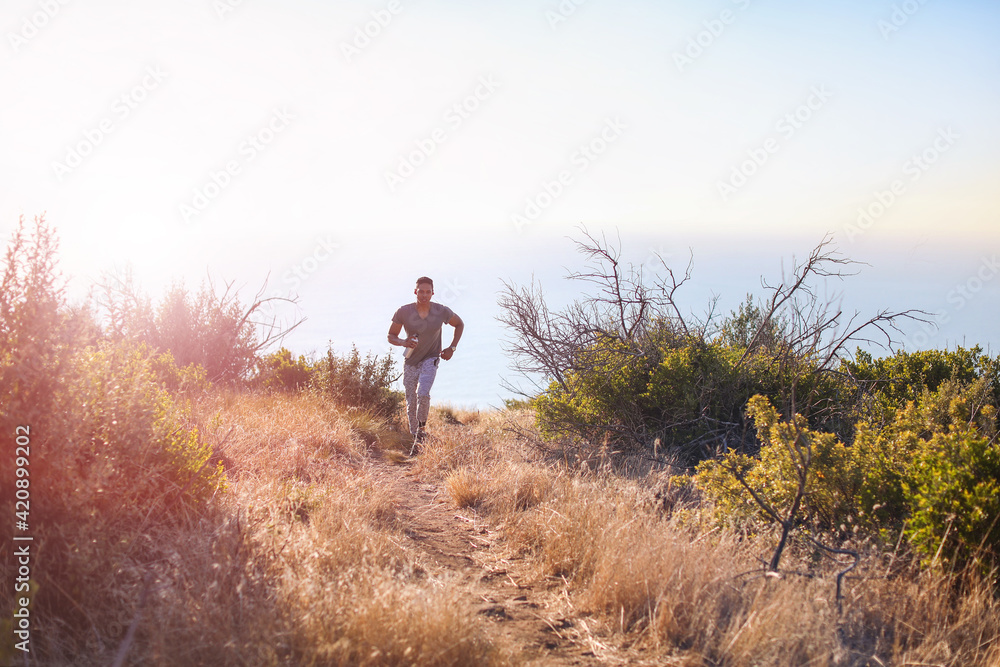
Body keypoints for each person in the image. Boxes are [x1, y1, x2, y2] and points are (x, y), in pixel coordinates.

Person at [387, 276, 464, 450]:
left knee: (423, 393)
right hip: (410, 361)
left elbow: (459, 324)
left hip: (431, 357)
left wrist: (452, 348)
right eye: (421, 291)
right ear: (415, 292)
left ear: (432, 293)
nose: (424, 295)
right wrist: (404, 342)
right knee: (411, 399)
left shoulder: (441, 311)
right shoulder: (403, 312)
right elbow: (391, 336)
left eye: (427, 292)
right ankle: (415, 436)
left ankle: (421, 431)